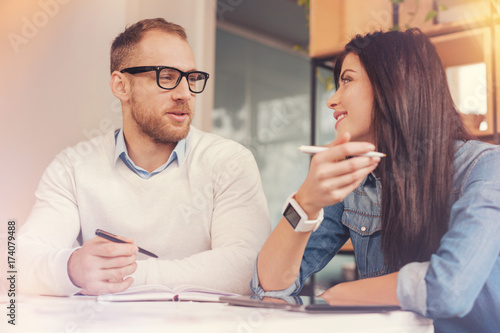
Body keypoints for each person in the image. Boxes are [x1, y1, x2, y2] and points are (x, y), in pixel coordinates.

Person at [252, 28, 500, 333]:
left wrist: (338, 295)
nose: (332, 100)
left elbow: (449, 289)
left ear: (393, 85)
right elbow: (269, 288)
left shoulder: (486, 168)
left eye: (347, 80)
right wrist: (305, 201)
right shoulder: (357, 179)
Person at [18, 18, 270, 296]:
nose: (185, 94)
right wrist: (72, 269)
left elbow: (246, 267)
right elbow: (17, 263)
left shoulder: (229, 161)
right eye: (167, 76)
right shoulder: (72, 167)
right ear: (121, 86)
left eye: (192, 78)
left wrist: (117, 278)